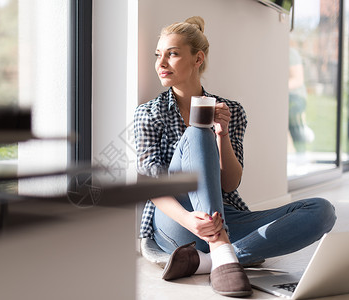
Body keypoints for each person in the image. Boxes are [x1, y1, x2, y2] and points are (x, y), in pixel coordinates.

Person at [134, 16, 336, 297]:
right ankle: (220, 251)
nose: (161, 63)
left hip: (225, 218)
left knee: (322, 211)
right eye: (159, 55)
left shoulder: (231, 110)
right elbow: (151, 185)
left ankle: (210, 261)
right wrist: (192, 221)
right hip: (177, 222)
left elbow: (229, 184)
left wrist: (222, 134)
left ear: (198, 58)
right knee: (196, 131)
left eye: (173, 53)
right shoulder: (149, 113)